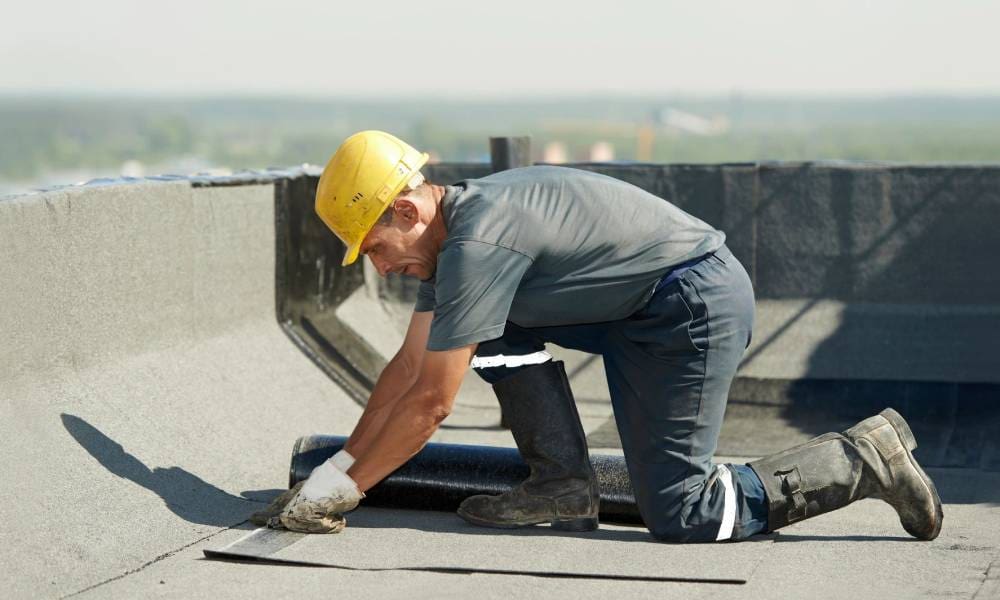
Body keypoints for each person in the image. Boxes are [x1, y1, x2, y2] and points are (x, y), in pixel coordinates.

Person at [257, 130, 943, 542]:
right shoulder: (450, 246)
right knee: (482, 330)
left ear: (407, 208)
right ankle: (562, 485)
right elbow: (407, 374)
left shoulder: (479, 240)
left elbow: (431, 405)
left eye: (376, 248)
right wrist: (334, 471)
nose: (381, 267)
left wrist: (343, 494)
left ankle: (859, 461)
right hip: (637, 310)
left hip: (690, 307)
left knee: (683, 513)